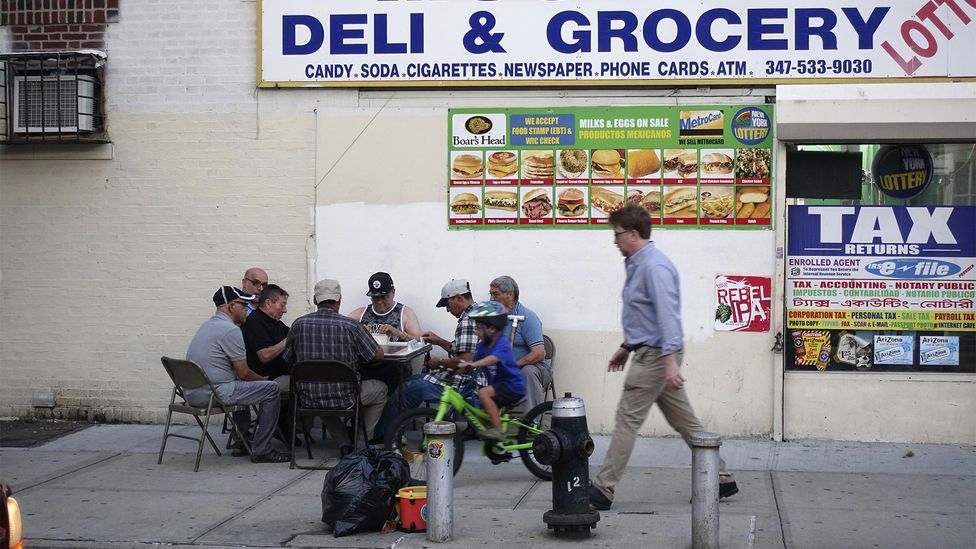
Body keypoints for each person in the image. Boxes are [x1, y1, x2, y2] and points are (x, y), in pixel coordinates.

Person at [589, 205, 738, 511]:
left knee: (626, 419)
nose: (613, 241)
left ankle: (603, 489)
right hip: (649, 351)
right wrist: (626, 347)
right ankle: (721, 479)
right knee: (684, 420)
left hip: (656, 357)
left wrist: (669, 361)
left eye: (616, 234)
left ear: (633, 233)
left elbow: (668, 316)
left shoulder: (654, 267)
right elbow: (643, 315)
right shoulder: (636, 263)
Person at [282, 278, 388, 456]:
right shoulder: (351, 326)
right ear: (339, 301)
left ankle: (344, 443)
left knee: (320, 390)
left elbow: (287, 359)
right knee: (381, 389)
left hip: (307, 397)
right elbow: (377, 355)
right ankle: (361, 441)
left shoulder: (298, 325)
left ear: (315, 300)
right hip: (346, 397)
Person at [184, 286, 289, 463]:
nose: (248, 309)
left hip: (191, 392)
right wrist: (262, 380)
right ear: (231, 306)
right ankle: (262, 449)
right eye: (244, 304)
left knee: (243, 385)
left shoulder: (208, 325)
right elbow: (244, 372)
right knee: (271, 389)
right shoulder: (231, 330)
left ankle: (241, 439)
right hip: (212, 394)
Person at [374, 279, 479, 441]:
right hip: (470, 377)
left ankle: (386, 436)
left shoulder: (467, 321)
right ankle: (390, 433)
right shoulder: (477, 313)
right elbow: (463, 351)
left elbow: (465, 362)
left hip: (465, 382)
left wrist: (439, 363)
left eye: (447, 304)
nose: (447, 310)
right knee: (412, 381)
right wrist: (438, 341)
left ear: (459, 298)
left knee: (407, 388)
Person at [241, 284, 296, 444]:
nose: (285, 310)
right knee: (310, 385)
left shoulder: (276, 324)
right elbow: (264, 356)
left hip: (281, 375)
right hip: (265, 380)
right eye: (282, 305)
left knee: (311, 379)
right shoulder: (254, 323)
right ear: (268, 303)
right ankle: (285, 428)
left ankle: (287, 428)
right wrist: (288, 340)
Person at [464, 300, 526, 441]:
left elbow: (494, 359)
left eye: (479, 327)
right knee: (480, 417)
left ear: (491, 328)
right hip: (499, 388)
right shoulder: (483, 346)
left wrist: (473, 365)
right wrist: (458, 368)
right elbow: (473, 361)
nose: (476, 331)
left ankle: (498, 431)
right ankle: (498, 449)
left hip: (512, 386)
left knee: (483, 393)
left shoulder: (502, 343)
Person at [489, 275, 550, 412]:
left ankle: (531, 421)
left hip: (533, 367)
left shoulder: (528, 318)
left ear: (510, 294)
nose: (491, 299)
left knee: (528, 372)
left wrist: (514, 365)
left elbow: (539, 353)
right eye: (491, 294)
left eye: (495, 294)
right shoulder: (496, 316)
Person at [348, 272, 422, 342]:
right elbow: (341, 334)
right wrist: (358, 333)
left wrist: (400, 334)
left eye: (384, 297)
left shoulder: (405, 313)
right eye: (375, 298)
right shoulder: (359, 315)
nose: (379, 302)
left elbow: (422, 341)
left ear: (393, 292)